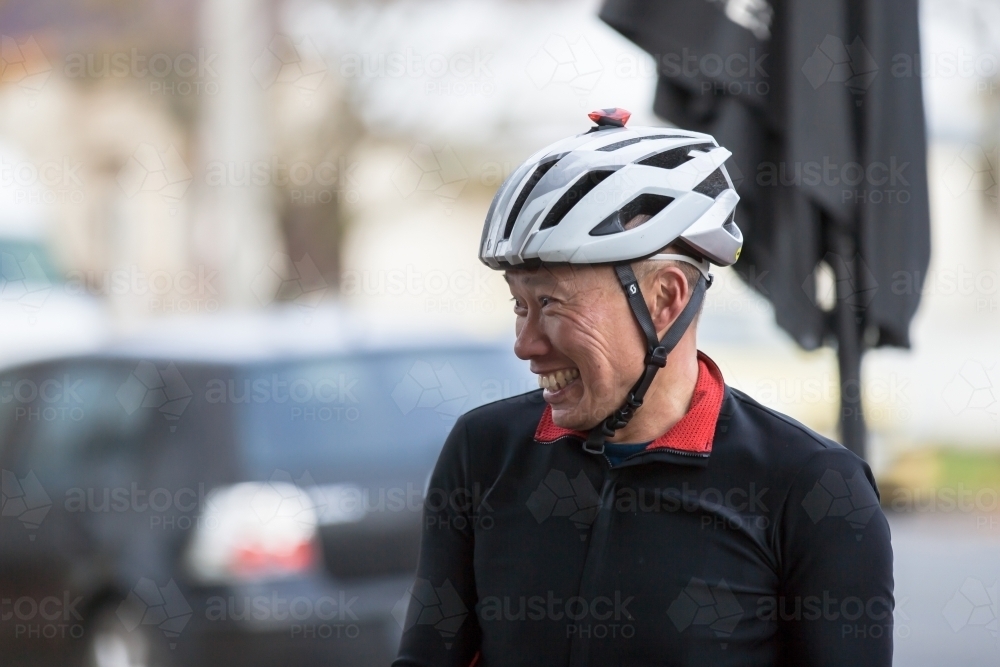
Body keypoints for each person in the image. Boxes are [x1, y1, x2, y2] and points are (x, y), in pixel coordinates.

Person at [393, 109, 893, 667]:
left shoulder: (814, 489)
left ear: (665, 298)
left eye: (552, 303)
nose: (526, 344)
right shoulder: (483, 452)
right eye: (520, 305)